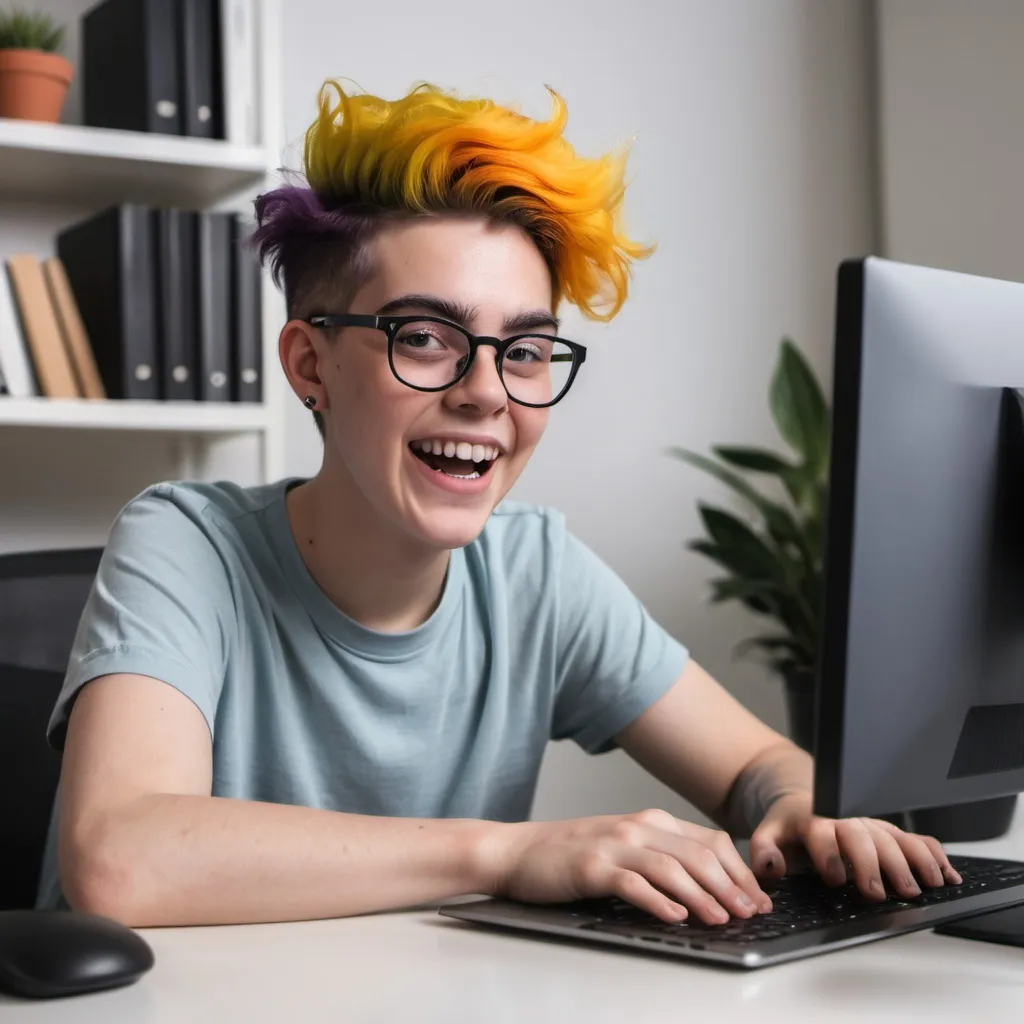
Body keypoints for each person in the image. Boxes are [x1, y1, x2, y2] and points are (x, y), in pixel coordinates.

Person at [37, 81, 961, 927]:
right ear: (309, 365)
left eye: (524, 351)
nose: (488, 393)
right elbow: (121, 861)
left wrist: (798, 809)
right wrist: (510, 851)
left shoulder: (534, 571)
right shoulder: (184, 542)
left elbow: (760, 765)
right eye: (429, 338)